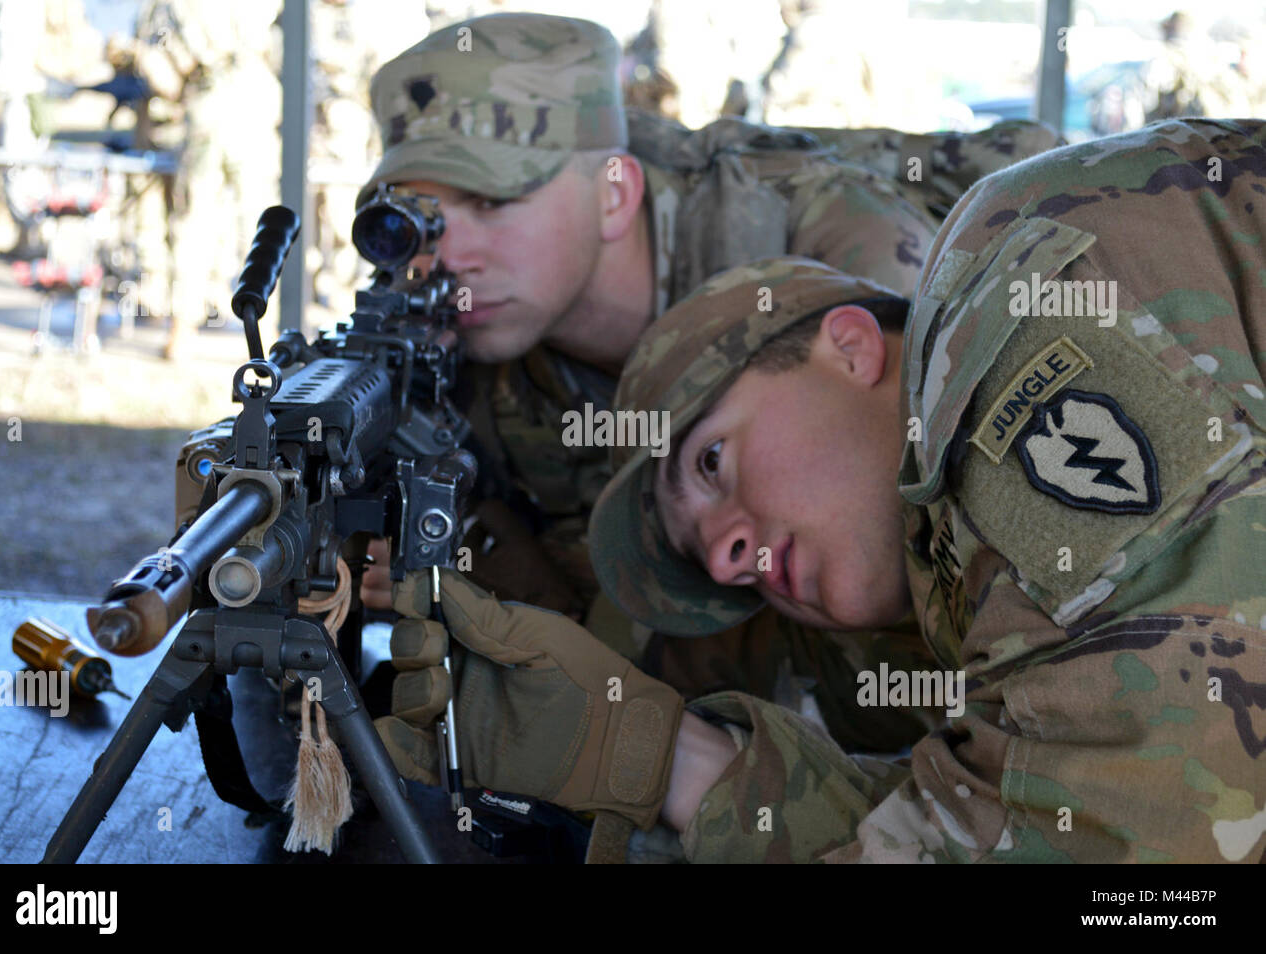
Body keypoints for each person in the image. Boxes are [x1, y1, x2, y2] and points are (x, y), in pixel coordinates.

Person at [375, 117, 1266, 862]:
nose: (728, 558)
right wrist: (657, 757)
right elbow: (1016, 819)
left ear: (851, 348)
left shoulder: (1001, 317)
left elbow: (1145, 856)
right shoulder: (946, 582)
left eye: (713, 463)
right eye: (702, 556)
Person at [354, 12, 1055, 743]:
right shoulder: (454, 344)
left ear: (613, 194)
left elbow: (918, 588)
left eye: (491, 203)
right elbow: (606, 593)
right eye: (419, 219)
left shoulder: (847, 257)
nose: (445, 256)